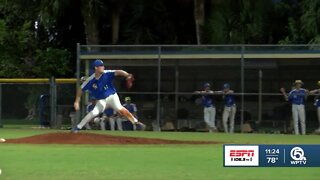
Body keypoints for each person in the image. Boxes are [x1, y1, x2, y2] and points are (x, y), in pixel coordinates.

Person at [72, 59, 145, 132]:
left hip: (112, 97)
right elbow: (80, 89)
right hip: (101, 101)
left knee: (120, 108)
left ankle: (136, 123)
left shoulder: (107, 73)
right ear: (95, 68)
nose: (103, 67)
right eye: (100, 66)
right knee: (93, 113)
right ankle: (78, 127)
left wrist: (127, 75)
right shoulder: (90, 80)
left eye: (102, 65)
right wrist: (77, 101)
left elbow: (118, 72)